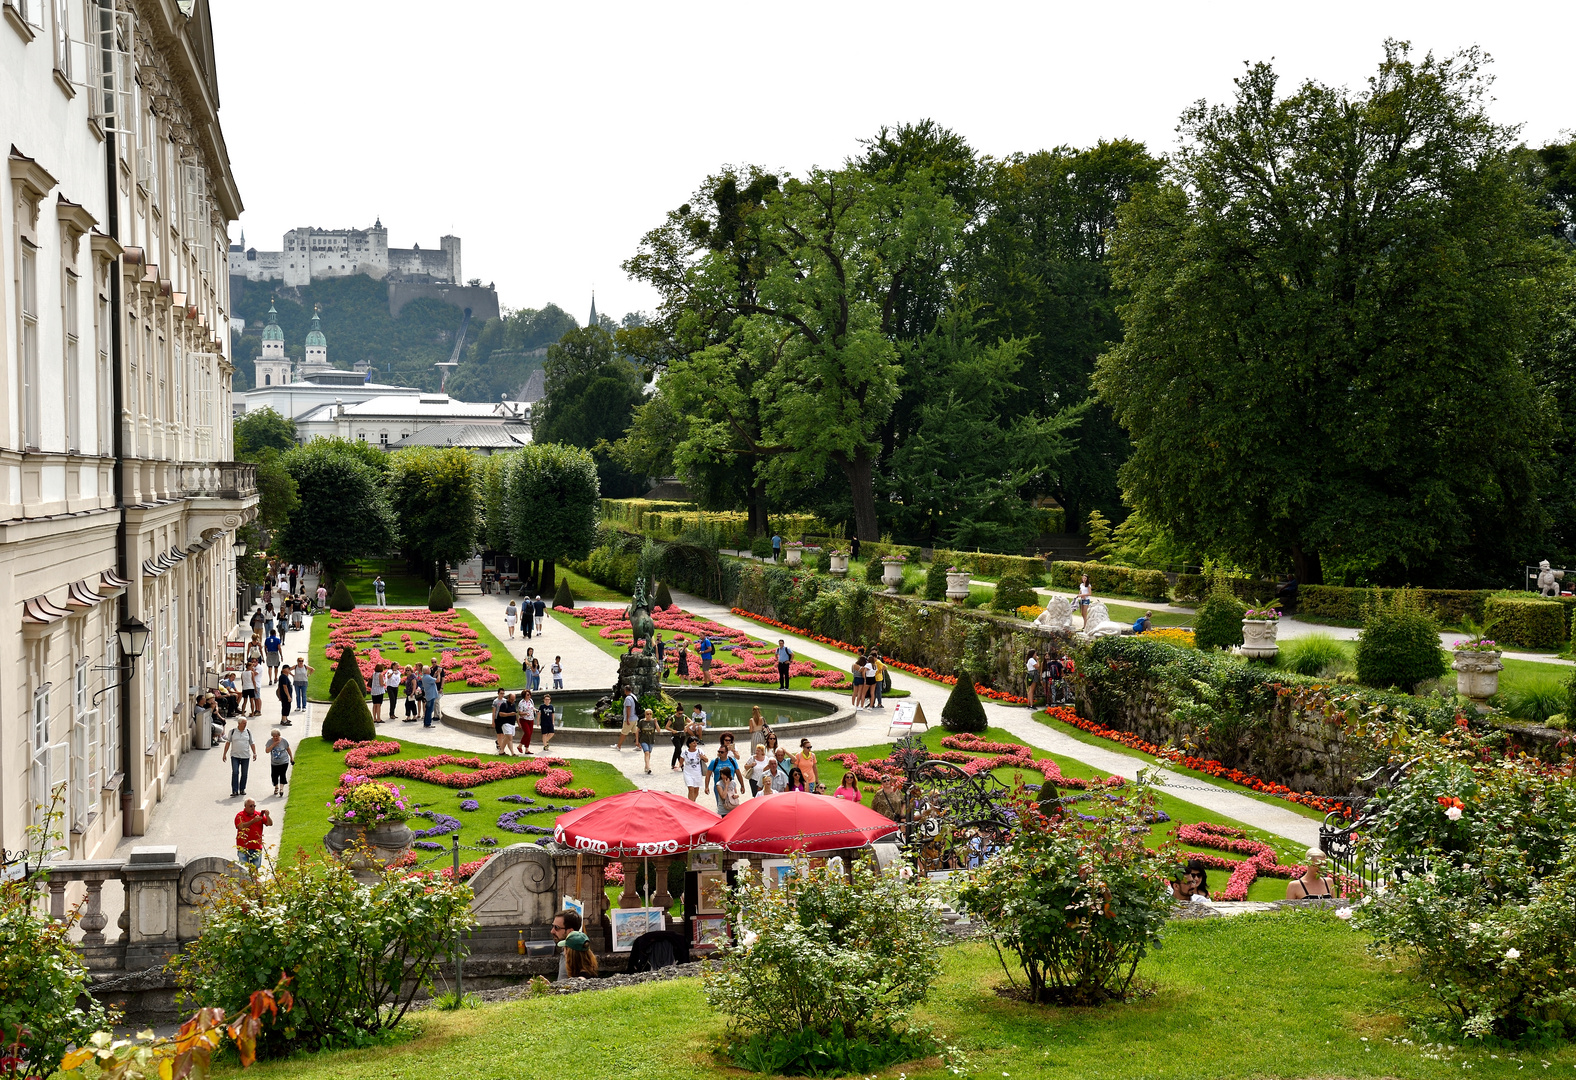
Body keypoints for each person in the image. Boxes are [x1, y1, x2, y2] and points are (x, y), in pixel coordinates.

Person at [550, 909, 590, 981]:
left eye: (556, 928)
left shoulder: (576, 955)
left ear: (570, 931)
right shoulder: (566, 951)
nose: (552, 931)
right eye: (552, 926)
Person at [234, 798, 272, 870]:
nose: (253, 808)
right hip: (243, 847)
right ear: (245, 806)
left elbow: (270, 823)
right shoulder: (240, 815)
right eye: (250, 806)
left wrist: (267, 816)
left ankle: (254, 881)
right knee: (244, 869)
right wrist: (253, 821)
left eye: (254, 806)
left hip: (256, 846)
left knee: (255, 868)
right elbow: (240, 826)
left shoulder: (258, 815)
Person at [223, 716, 256, 797]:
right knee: (235, 772)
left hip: (245, 756)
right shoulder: (233, 731)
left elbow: (252, 743)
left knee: (244, 773)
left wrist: (254, 753)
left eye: (246, 723)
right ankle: (235, 790)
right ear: (239, 723)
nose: (245, 725)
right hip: (235, 755)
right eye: (244, 723)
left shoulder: (248, 731)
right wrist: (224, 754)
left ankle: (242, 789)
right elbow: (228, 743)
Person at [706, 748, 738, 814]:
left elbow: (738, 773)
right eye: (719, 752)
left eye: (722, 752)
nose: (720, 753)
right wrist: (706, 786)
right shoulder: (719, 784)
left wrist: (741, 787)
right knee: (720, 801)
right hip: (722, 811)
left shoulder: (732, 761)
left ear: (726, 752)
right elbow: (708, 774)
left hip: (732, 807)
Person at [265, 729, 294, 797]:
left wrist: (291, 757)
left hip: (284, 761)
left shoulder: (284, 741)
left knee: (282, 774)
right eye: (274, 736)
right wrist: (273, 745)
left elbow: (288, 749)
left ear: (279, 735)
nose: (275, 738)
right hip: (274, 762)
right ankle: (276, 787)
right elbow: (267, 751)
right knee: (274, 776)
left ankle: (281, 789)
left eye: (277, 736)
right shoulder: (270, 742)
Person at [612, 684, 639, 751]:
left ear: (625, 690)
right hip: (635, 718)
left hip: (630, 719)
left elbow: (628, 708)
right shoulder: (634, 696)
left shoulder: (628, 698)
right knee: (635, 731)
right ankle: (639, 745)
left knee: (624, 732)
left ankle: (619, 746)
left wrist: (627, 719)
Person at [681, 736, 707, 801]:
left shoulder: (700, 751)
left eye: (696, 743)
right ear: (689, 744)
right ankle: (691, 805)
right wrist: (679, 766)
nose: (695, 744)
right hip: (688, 772)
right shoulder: (684, 752)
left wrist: (702, 757)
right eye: (693, 743)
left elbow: (706, 760)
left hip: (697, 772)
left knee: (696, 789)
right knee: (691, 788)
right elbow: (681, 761)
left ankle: (693, 802)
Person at [637, 708, 659, 775]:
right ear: (645, 714)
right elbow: (637, 731)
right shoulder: (642, 721)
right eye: (647, 714)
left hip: (651, 740)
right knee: (646, 752)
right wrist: (637, 741)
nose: (649, 715)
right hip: (643, 740)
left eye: (650, 714)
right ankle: (649, 768)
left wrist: (656, 722)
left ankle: (646, 766)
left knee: (648, 753)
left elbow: (658, 730)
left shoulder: (653, 721)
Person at [665, 706, 687, 771]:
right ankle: (681, 765)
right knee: (679, 749)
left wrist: (686, 726)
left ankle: (673, 763)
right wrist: (672, 730)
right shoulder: (673, 718)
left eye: (681, 713)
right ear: (676, 712)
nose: (680, 715)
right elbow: (667, 727)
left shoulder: (684, 717)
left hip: (682, 735)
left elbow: (691, 722)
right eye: (679, 713)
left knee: (677, 749)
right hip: (675, 736)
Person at [516, 690, 537, 755]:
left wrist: (535, 710)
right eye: (527, 695)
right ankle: (520, 745)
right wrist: (525, 713)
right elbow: (520, 713)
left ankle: (527, 749)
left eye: (529, 694)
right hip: (524, 719)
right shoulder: (521, 703)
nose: (529, 696)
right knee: (527, 733)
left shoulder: (531, 700)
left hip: (531, 719)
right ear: (524, 695)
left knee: (530, 734)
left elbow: (532, 707)